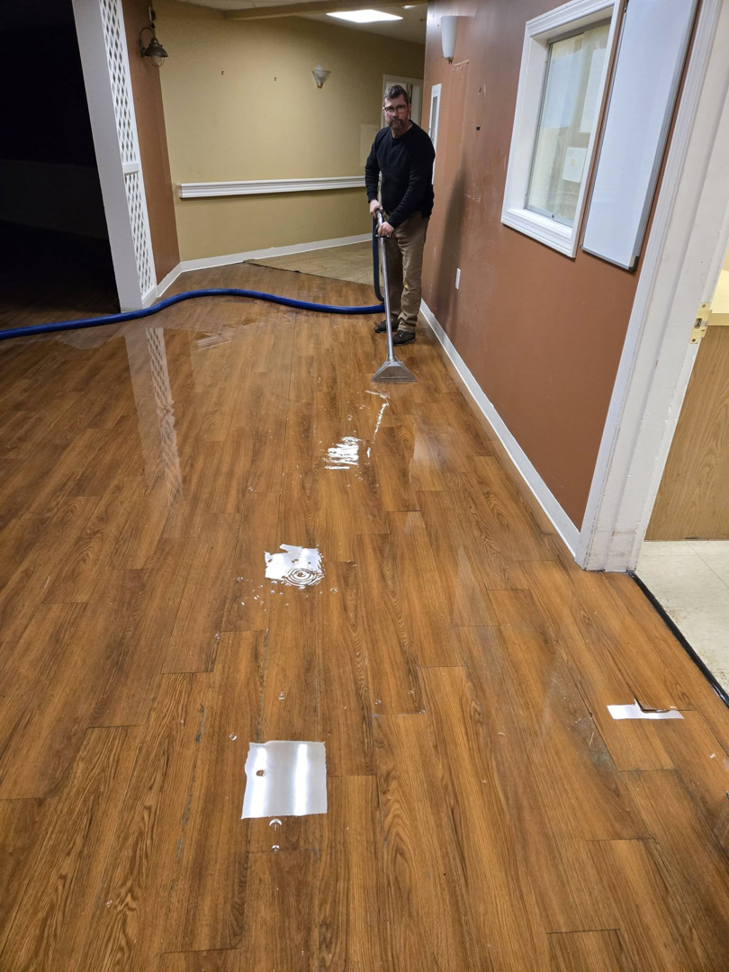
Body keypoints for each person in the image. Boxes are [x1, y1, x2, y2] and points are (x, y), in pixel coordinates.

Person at [365, 84, 435, 345]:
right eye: (390, 109)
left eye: (400, 108)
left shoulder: (421, 143)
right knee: (390, 271)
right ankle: (392, 317)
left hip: (413, 220)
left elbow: (417, 188)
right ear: (385, 111)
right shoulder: (382, 138)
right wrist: (373, 199)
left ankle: (407, 325)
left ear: (409, 108)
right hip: (388, 216)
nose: (396, 114)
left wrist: (394, 222)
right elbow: (371, 169)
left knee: (409, 275)